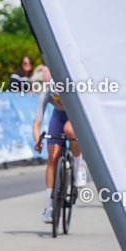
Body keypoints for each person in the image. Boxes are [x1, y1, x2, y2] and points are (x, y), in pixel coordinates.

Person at [32, 81, 86, 223]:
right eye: (57, 98)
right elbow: (37, 123)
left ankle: (78, 169)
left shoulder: (74, 91)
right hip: (58, 118)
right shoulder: (47, 93)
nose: (61, 101)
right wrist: (37, 140)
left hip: (73, 116)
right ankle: (49, 207)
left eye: (63, 97)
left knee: (69, 130)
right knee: (53, 157)